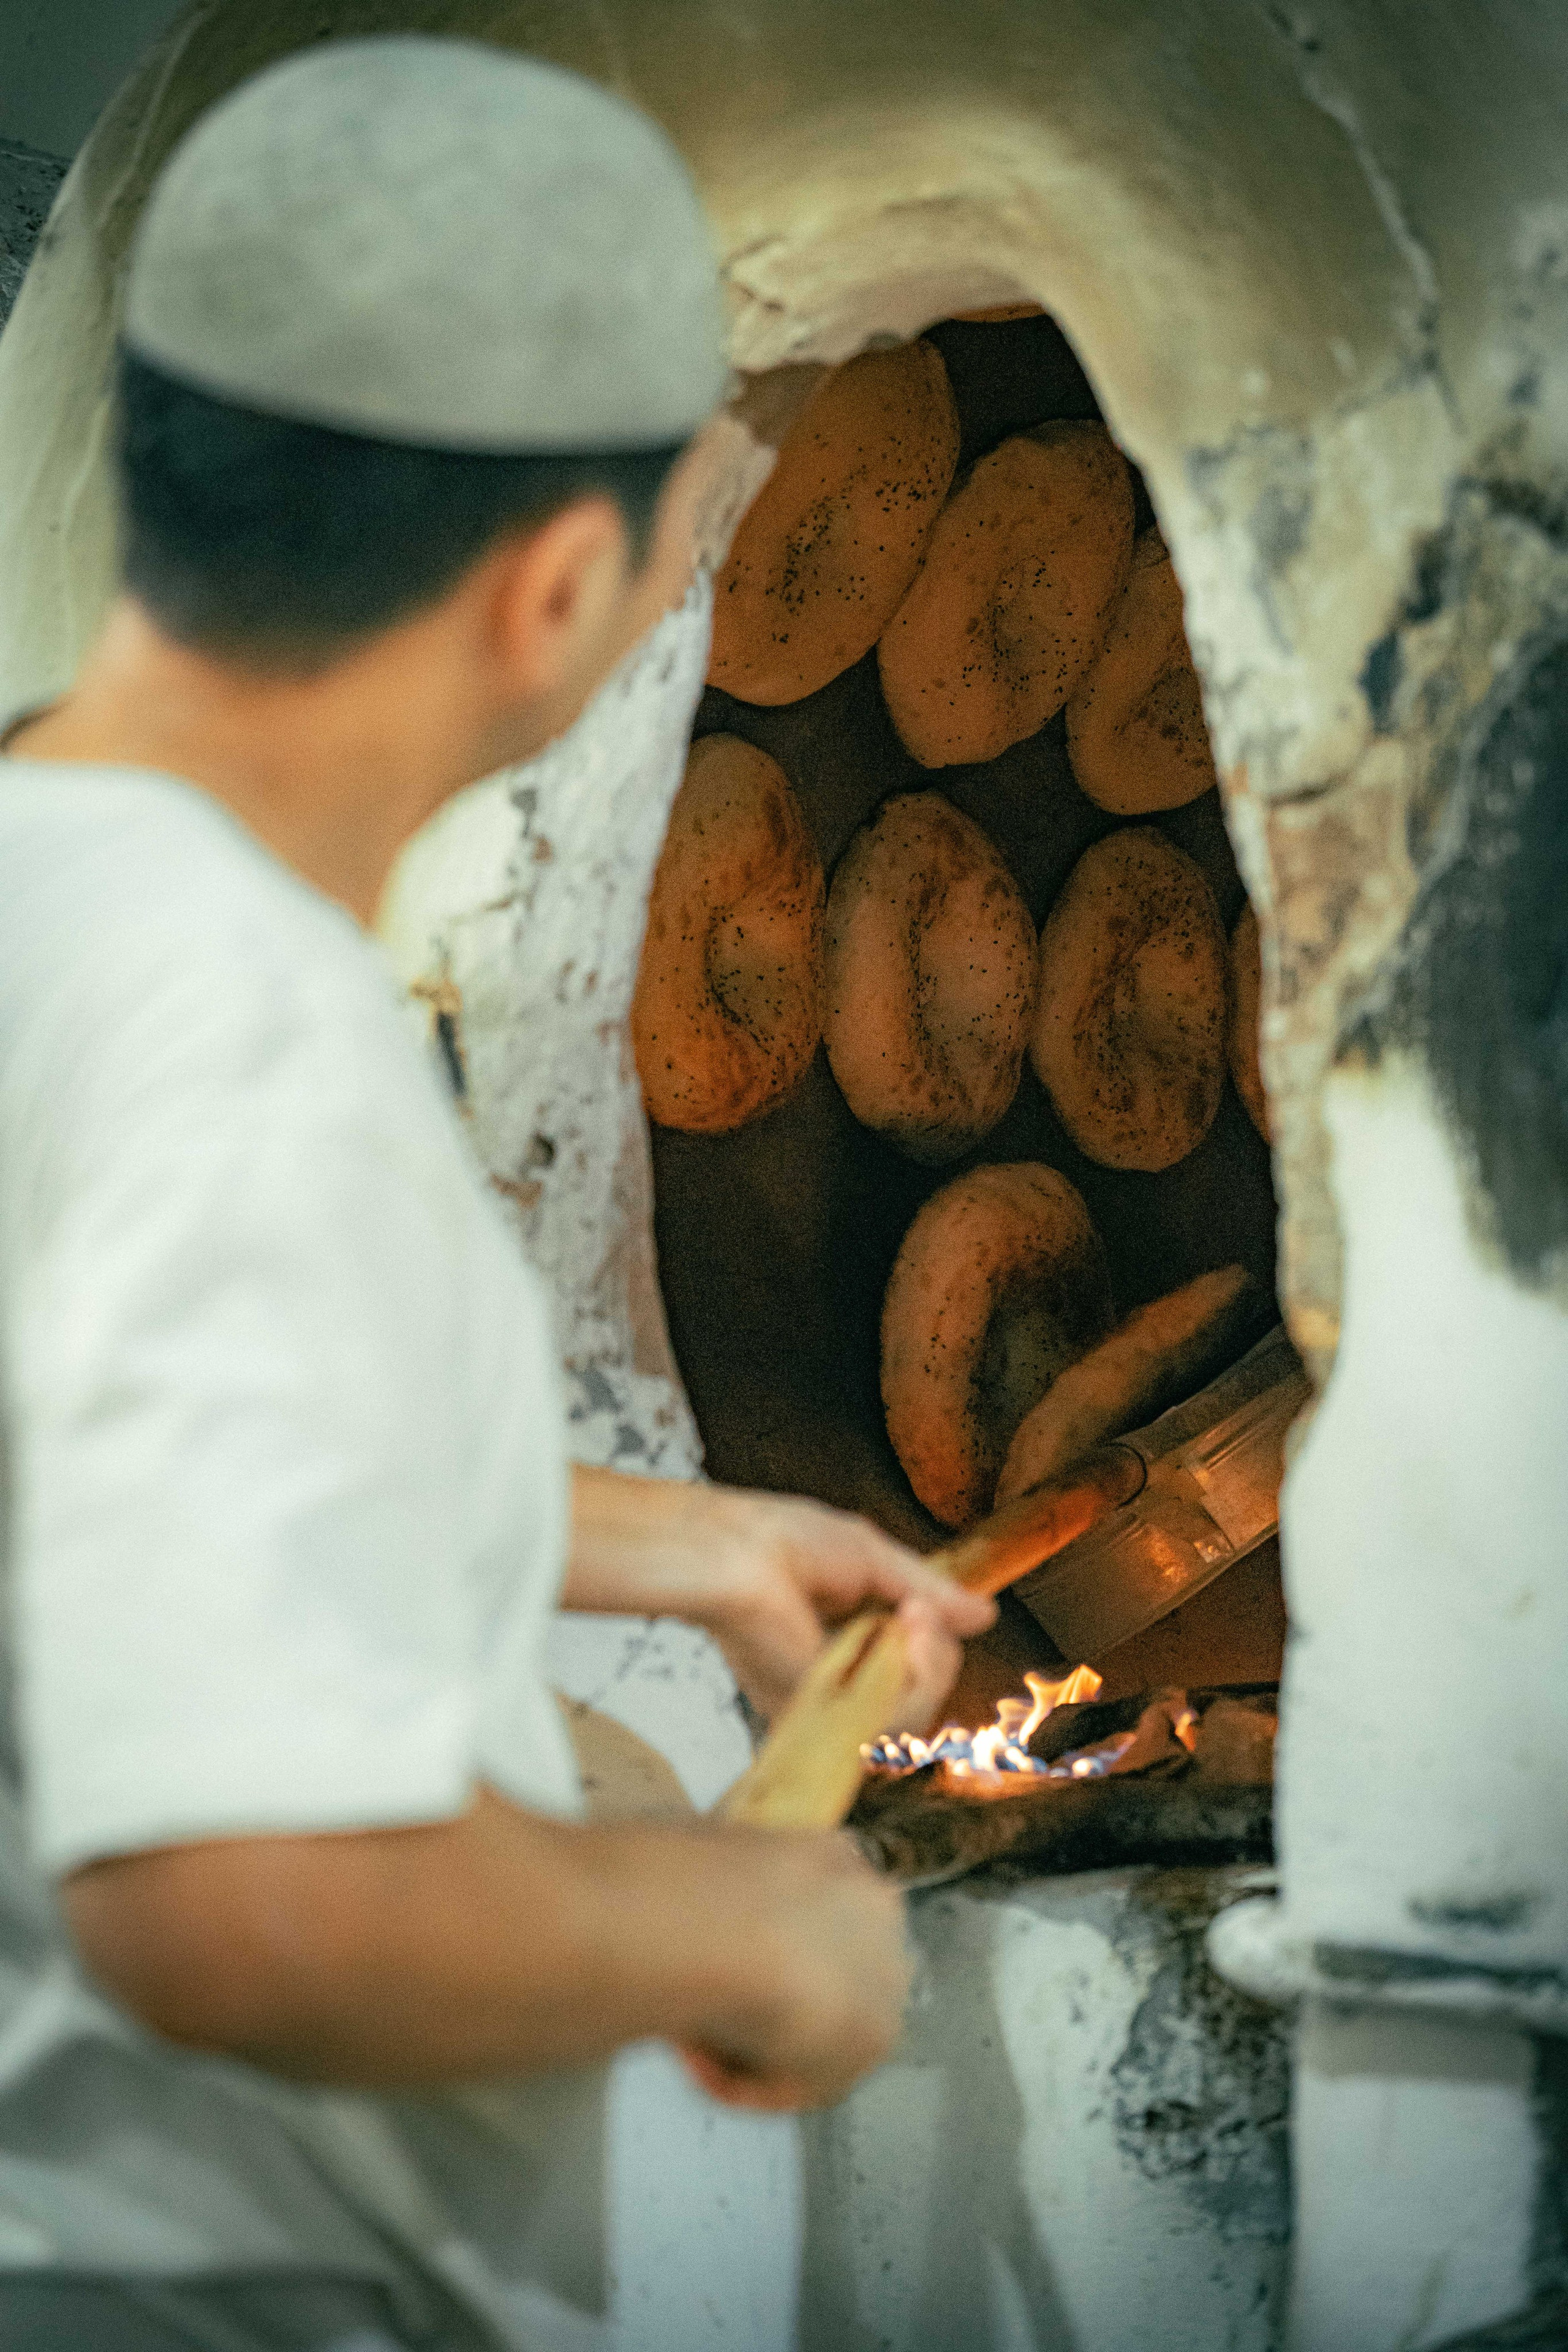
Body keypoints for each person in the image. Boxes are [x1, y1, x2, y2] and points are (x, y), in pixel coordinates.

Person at [0, 36, 992, 2352]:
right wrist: (749, 1929)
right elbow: (235, 1904)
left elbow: (111, 1456)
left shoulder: (56, 877)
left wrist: (676, 1542)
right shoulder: (248, 1033)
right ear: (555, 586)